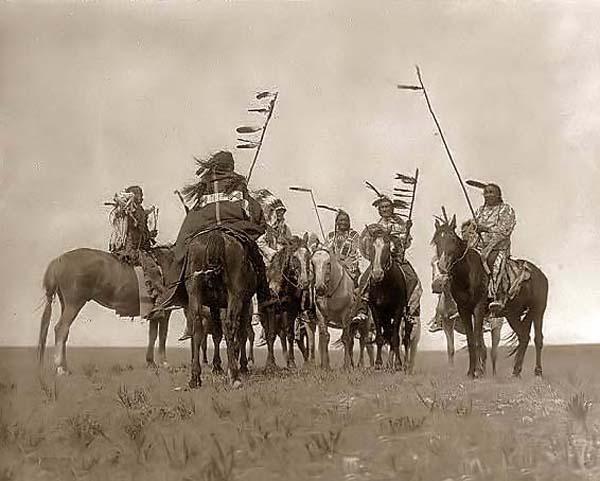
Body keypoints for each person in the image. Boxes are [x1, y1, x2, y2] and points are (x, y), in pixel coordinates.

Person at [150, 151, 272, 340]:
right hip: (233, 227)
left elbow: (196, 212)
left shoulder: (205, 186)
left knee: (183, 248)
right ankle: (264, 296)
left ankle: (177, 287)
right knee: (256, 257)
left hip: (204, 227)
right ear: (230, 166)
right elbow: (253, 211)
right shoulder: (237, 184)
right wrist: (256, 221)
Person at [354, 195, 422, 327]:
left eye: (387, 207)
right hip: (380, 259)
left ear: (392, 208)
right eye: (382, 207)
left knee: (413, 279)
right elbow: (368, 243)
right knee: (364, 279)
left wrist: (407, 232)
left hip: (397, 258)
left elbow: (406, 243)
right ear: (379, 210)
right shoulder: (375, 227)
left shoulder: (400, 223)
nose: (385, 209)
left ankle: (409, 311)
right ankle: (362, 309)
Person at [473, 182, 516, 312]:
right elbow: (473, 228)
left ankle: (495, 297)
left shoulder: (506, 209)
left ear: (498, 195)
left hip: (498, 248)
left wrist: (485, 228)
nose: (487, 195)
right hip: (479, 247)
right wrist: (474, 229)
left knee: (495, 267)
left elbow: (505, 230)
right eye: (485, 192)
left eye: (491, 192)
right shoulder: (480, 210)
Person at [325, 209, 361, 286]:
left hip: (349, 270)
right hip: (333, 270)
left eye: (346, 220)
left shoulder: (354, 235)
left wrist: (344, 263)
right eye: (341, 220)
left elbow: (356, 253)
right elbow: (326, 253)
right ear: (336, 222)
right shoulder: (330, 236)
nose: (343, 222)